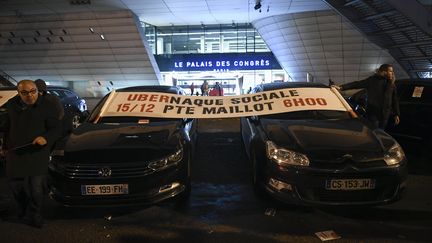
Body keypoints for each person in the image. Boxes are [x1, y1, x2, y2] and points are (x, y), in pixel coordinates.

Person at [1, 80, 62, 228]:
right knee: (16, 186)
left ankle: (36, 215)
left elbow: (56, 129)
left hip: (37, 152)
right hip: (15, 152)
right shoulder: (10, 106)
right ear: (18, 93)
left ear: (37, 90)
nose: (30, 96)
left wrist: (45, 138)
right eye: (25, 93)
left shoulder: (47, 106)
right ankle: (23, 209)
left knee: (36, 187)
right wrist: (4, 146)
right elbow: (4, 127)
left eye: (33, 91)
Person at [337, 64, 400, 129]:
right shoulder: (372, 80)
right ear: (383, 71)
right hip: (373, 113)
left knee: (381, 132)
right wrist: (342, 87)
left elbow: (395, 100)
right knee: (373, 131)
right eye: (390, 71)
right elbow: (357, 84)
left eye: (392, 71)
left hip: (385, 115)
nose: (392, 73)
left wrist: (396, 114)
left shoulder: (391, 84)